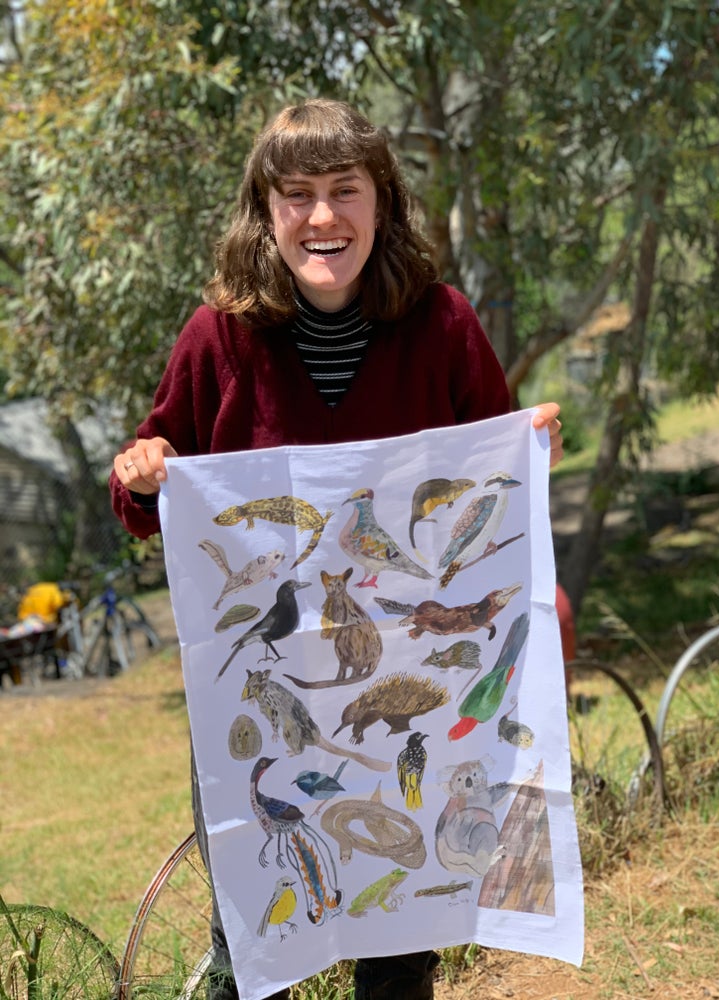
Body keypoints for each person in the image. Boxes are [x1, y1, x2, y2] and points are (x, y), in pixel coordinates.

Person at [110, 98, 563, 1000]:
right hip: (264, 706)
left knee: (401, 951)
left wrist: (527, 450)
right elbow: (144, 498)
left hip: (416, 699)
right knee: (255, 945)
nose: (323, 217)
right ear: (265, 212)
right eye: (298, 194)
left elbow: (495, 497)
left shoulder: (443, 327)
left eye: (345, 190)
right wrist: (144, 470)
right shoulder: (217, 341)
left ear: (382, 203)